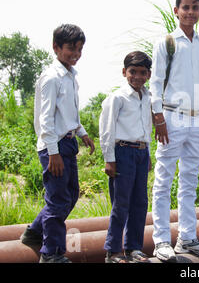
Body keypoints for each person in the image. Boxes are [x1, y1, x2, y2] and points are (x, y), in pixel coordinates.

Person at [149, 0, 199, 262]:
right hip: (171, 116)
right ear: (176, 10)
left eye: (195, 7)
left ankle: (186, 238)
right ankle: (160, 241)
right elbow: (155, 82)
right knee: (163, 180)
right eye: (186, 7)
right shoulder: (167, 42)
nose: (190, 12)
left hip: (196, 120)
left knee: (190, 180)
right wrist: (158, 117)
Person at [20, 24, 95, 263]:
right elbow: (46, 119)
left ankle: (34, 232)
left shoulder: (71, 76)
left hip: (68, 143)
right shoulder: (51, 78)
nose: (76, 54)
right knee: (57, 200)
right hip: (55, 147)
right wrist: (53, 153)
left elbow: (68, 114)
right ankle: (50, 254)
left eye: (80, 49)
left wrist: (82, 132)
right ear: (56, 47)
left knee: (71, 196)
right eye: (71, 48)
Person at [99, 51, 153, 263]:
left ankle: (134, 247)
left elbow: (146, 125)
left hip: (141, 151)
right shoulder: (117, 98)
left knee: (140, 201)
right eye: (133, 72)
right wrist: (109, 158)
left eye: (142, 72)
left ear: (148, 74)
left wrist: (147, 152)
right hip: (122, 151)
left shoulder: (147, 96)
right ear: (124, 72)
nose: (137, 76)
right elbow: (107, 129)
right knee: (121, 203)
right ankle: (113, 250)